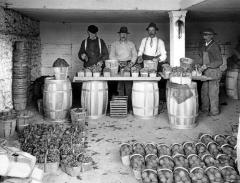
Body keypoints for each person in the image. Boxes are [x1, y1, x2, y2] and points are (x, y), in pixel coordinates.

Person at [109, 26, 138, 111]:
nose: (123, 35)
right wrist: (117, 63)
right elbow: (111, 55)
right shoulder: (114, 44)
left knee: (129, 86)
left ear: (127, 34)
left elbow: (135, 55)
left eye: (125, 34)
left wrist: (130, 65)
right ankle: (121, 106)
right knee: (120, 86)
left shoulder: (131, 44)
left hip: (129, 65)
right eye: (122, 33)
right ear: (119, 34)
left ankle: (129, 107)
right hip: (118, 65)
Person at [199, 28, 223, 116]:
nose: (204, 36)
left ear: (211, 36)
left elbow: (220, 61)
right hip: (206, 72)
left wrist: (207, 65)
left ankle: (214, 111)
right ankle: (205, 109)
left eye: (207, 35)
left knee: (213, 93)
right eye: (204, 34)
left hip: (214, 72)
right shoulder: (205, 46)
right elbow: (203, 59)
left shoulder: (214, 46)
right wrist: (200, 65)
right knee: (204, 92)